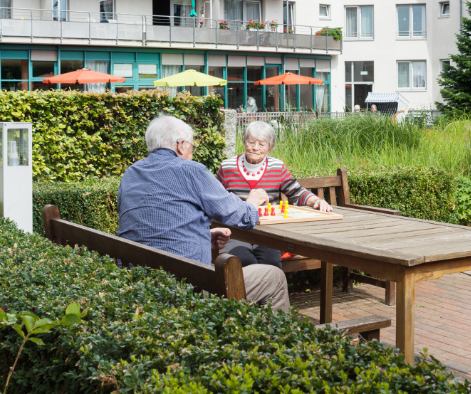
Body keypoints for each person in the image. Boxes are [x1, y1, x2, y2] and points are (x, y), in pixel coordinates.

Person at [117, 115, 290, 311]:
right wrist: (252, 201)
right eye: (192, 146)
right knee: (273, 277)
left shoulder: (131, 173)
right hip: (186, 288)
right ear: (181, 145)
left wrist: (201, 235)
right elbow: (244, 217)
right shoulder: (191, 170)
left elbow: (146, 222)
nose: (192, 152)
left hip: (137, 285)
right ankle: (266, 340)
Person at [216, 121, 332, 268]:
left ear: (270, 147)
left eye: (262, 144)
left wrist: (316, 200)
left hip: (268, 233)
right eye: (251, 142)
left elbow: (296, 192)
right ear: (244, 141)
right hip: (236, 232)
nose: (255, 148)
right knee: (243, 262)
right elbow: (216, 199)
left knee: (270, 264)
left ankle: (269, 291)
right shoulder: (228, 167)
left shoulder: (277, 167)